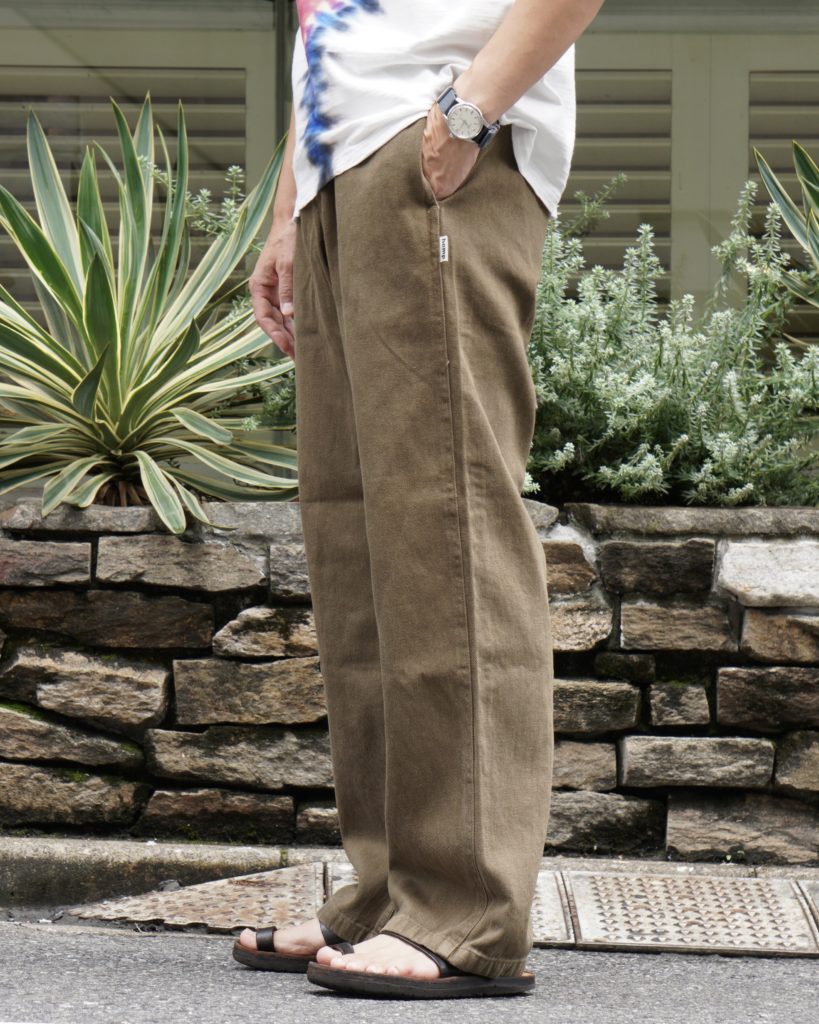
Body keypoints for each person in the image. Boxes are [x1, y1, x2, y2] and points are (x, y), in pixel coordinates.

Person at [234, 0, 605, 1000]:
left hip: (439, 140)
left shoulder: (452, 129)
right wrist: (293, 198)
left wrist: (469, 113)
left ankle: (465, 910)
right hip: (346, 160)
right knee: (359, 537)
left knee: (446, 522)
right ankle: (389, 891)